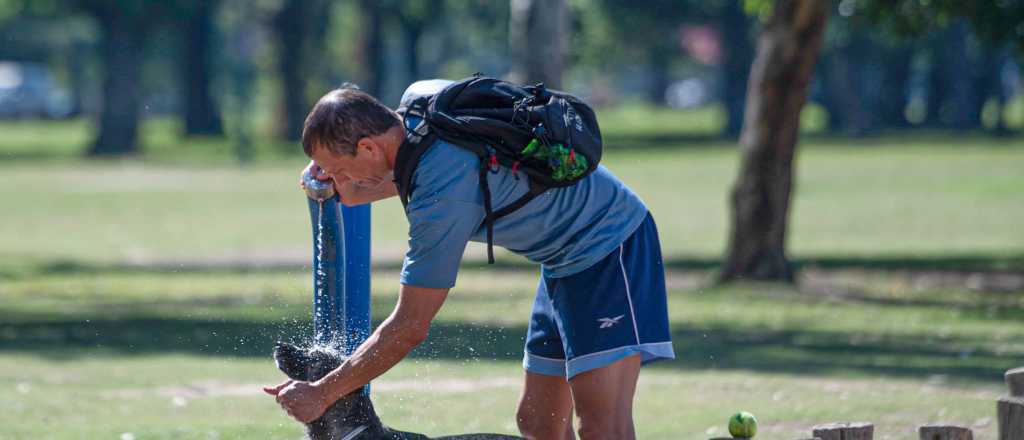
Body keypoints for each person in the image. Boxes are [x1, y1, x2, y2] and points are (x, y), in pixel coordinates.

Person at [264, 80, 674, 440]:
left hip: (609, 245)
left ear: (368, 146)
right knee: (539, 423)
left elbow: (410, 327)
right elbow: (393, 180)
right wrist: (343, 183)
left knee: (603, 428)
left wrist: (323, 393)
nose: (336, 179)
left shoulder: (440, 200)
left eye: (338, 169)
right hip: (562, 260)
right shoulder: (419, 105)